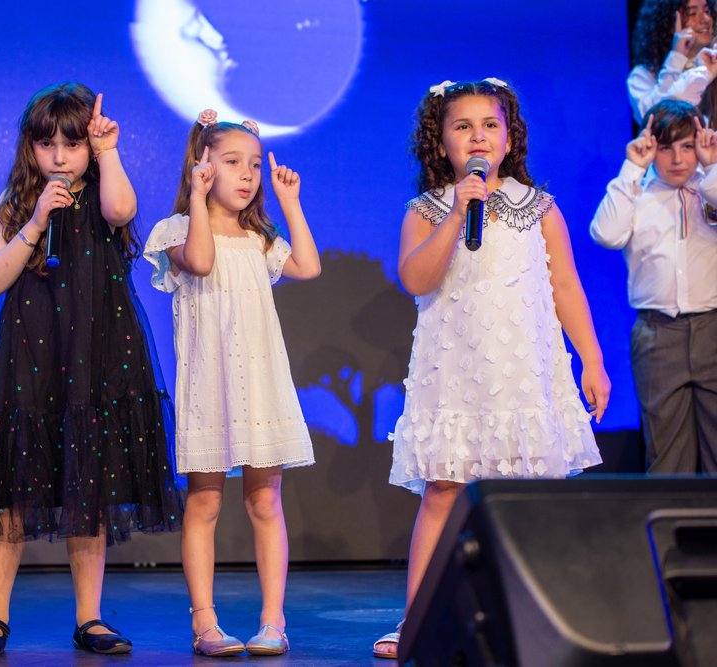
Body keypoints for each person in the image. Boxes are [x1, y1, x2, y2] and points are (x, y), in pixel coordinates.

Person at [376, 79, 609, 659]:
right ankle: (417, 620)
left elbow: (565, 286)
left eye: (489, 125)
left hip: (523, 370)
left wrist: (592, 359)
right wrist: (458, 212)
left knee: (534, 492)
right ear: (441, 142)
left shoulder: (540, 208)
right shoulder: (426, 210)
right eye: (463, 126)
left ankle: (542, 618)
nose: (478, 136)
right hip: (456, 370)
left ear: (508, 139)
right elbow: (417, 279)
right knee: (443, 489)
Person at [0, 82, 183, 657]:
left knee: (90, 482)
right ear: (29, 148)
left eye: (72, 144)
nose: (59, 156)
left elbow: (122, 211)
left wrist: (108, 151)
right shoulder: (17, 202)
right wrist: (35, 221)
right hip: (32, 351)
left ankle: (90, 617)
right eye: (47, 144)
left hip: (97, 349)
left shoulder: (104, 188)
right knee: (11, 486)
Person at [144, 110, 321, 657]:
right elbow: (199, 261)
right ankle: (205, 622)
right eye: (232, 162)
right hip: (209, 387)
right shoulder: (177, 229)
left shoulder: (258, 237)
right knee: (204, 502)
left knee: (265, 500)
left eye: (254, 165)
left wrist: (290, 203)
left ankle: (273, 620)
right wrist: (197, 198)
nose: (247, 175)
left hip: (260, 384)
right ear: (202, 166)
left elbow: (308, 267)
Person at [590, 99, 717, 473]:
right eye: (665, 148)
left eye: (687, 146)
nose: (677, 159)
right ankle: (671, 516)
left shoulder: (709, 187)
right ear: (650, 147)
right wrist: (633, 167)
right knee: (666, 454)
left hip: (712, 327)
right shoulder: (637, 194)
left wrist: (711, 167)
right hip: (658, 332)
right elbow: (606, 234)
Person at [629, 0, 717, 124]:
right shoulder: (643, 75)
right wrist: (676, 56)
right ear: (669, 23)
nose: (706, 19)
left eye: (707, 11)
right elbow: (655, 120)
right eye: (692, 13)